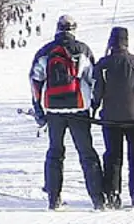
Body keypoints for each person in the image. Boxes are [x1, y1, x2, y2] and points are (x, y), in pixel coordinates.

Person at [29, 17, 104, 211]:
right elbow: (93, 78)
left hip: (53, 109)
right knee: (87, 153)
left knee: (55, 153)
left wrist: (38, 109)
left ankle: (54, 199)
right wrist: (94, 105)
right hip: (79, 108)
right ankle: (98, 199)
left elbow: (35, 80)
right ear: (74, 29)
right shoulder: (82, 49)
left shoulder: (45, 51)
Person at [92, 25, 134, 207]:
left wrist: (94, 108)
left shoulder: (103, 64)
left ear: (111, 42)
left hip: (111, 117)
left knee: (113, 156)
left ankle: (112, 194)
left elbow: (97, 92)